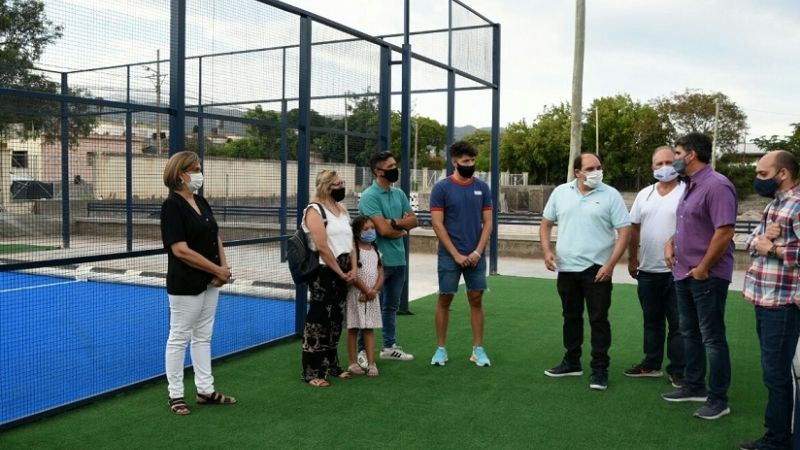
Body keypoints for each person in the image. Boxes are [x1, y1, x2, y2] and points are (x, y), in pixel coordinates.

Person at [540, 152, 631, 391]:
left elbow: (624, 231)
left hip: (597, 269)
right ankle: (572, 362)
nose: (596, 172)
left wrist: (610, 265)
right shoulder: (561, 192)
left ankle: (600, 369)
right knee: (570, 317)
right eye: (590, 169)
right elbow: (546, 223)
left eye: (598, 167)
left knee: (598, 320)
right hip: (566, 267)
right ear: (578, 172)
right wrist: (547, 251)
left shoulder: (611, 195)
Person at [662, 132, 736, 421]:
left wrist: (704, 267)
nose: (674, 160)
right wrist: (671, 242)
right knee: (689, 332)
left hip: (707, 275)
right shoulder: (690, 185)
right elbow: (690, 224)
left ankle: (718, 399)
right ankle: (694, 386)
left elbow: (724, 231)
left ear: (692, 154)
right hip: (684, 272)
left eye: (678, 154)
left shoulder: (717, 185)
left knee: (712, 338)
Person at [160, 151, 236, 415]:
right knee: (179, 337)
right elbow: (180, 250)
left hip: (210, 282)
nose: (199, 174)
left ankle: (205, 390)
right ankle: (176, 395)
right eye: (195, 169)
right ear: (181, 174)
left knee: (203, 337)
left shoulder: (201, 201)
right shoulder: (172, 206)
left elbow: (215, 236)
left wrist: (223, 270)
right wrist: (217, 269)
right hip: (186, 283)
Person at [739, 150, 800, 450]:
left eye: (763, 174)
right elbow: (751, 243)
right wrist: (765, 241)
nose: (758, 179)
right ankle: (777, 435)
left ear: (783, 173)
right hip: (765, 298)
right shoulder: (775, 204)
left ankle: (779, 440)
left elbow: (765, 247)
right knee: (772, 372)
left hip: (783, 303)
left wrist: (773, 248)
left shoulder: (797, 205)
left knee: (776, 374)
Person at [429, 140, 493, 367]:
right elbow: (437, 224)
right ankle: (441, 349)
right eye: (466, 161)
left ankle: (478, 349)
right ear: (454, 162)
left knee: (476, 299)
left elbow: (488, 223)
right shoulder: (441, 188)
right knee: (445, 298)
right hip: (449, 255)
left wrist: (477, 252)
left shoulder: (483, 187)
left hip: (476, 255)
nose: (471, 164)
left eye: (473, 160)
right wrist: (456, 254)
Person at [625, 146, 686, 387]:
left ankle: (678, 369)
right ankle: (651, 364)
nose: (664, 167)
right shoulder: (644, 195)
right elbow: (634, 228)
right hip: (648, 270)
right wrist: (632, 259)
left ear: (678, 163)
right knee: (652, 321)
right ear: (652, 167)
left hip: (677, 271)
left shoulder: (686, 192)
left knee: (678, 324)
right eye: (658, 163)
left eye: (669, 162)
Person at [357, 151, 417, 365]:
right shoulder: (369, 196)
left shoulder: (399, 194)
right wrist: (400, 227)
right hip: (376, 263)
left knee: (391, 307)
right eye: (390, 166)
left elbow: (414, 220)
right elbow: (382, 230)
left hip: (398, 260)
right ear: (378, 171)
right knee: (369, 306)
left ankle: (389, 347)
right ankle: (362, 351)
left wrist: (394, 223)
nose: (394, 169)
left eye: (394, 165)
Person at [301, 170, 357, 387]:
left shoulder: (342, 210)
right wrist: (340, 272)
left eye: (342, 183)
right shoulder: (314, 210)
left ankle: (332, 365)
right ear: (325, 187)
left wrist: (353, 268)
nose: (342, 187)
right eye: (337, 184)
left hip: (344, 269)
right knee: (318, 321)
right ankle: (312, 371)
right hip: (324, 271)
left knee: (335, 320)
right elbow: (322, 246)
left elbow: (351, 243)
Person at [345, 215, 384, 377]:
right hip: (356, 295)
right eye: (366, 229)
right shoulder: (353, 250)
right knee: (353, 328)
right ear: (357, 232)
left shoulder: (375, 250)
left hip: (372, 296)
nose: (370, 231)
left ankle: (371, 363)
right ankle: (353, 363)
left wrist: (373, 290)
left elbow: (381, 272)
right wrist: (366, 290)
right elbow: (354, 275)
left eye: (372, 228)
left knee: (369, 329)